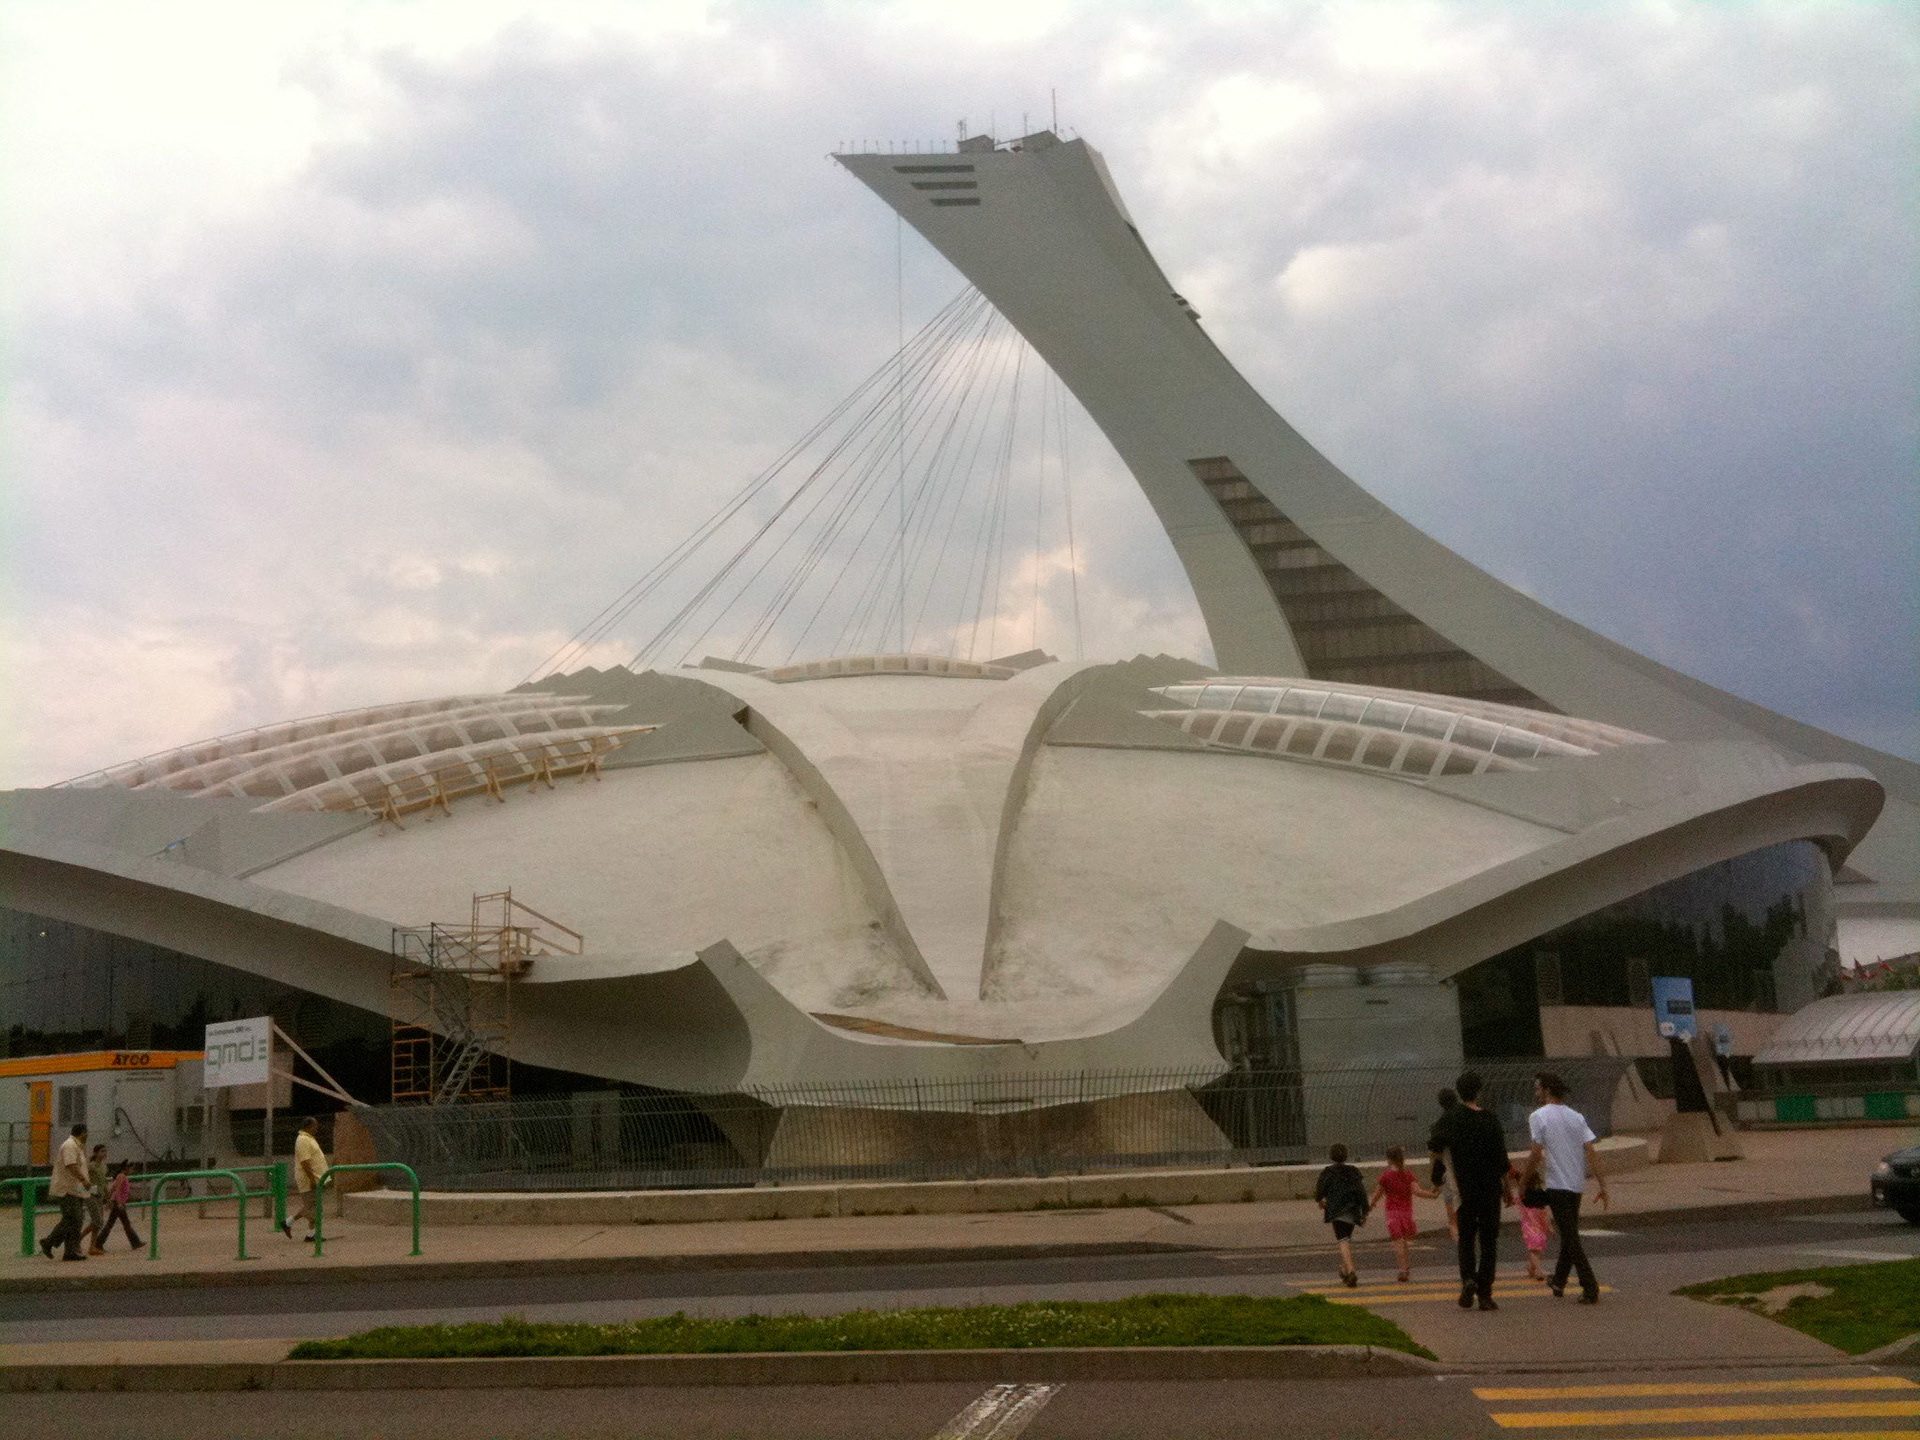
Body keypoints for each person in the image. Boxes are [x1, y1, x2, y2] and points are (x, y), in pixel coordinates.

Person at [1528, 1071, 1610, 1303]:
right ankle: (1559, 1280)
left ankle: (1590, 1286)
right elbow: (1591, 1151)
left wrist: (1524, 1181)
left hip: (1557, 1185)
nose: (1535, 1092)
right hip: (1575, 1185)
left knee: (1571, 1238)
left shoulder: (1539, 1116)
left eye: (1537, 1088)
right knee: (1569, 1234)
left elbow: (1535, 1153)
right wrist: (1603, 1185)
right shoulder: (1576, 1117)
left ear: (1545, 1089)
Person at [1448, 1071, 1512, 1311]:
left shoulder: (1453, 1118)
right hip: (1489, 1189)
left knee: (1466, 1239)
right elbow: (1501, 1157)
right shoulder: (1491, 1120)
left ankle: (1468, 1279)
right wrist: (1506, 1187)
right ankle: (1485, 1293)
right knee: (1488, 1241)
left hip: (1465, 1190)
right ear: (1479, 1091)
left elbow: (1436, 1143)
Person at [1369, 1144, 1437, 1283]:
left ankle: (1402, 1269)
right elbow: (1417, 1191)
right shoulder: (1408, 1174)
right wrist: (1432, 1195)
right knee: (1403, 1241)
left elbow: (1377, 1194)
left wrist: (1371, 1205)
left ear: (1389, 1159)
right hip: (1406, 1213)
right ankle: (1405, 1266)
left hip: (1392, 1213)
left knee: (1398, 1242)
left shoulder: (1386, 1176)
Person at [1314, 1142, 1369, 1288]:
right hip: (1352, 1209)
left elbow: (1319, 1191)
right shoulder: (1354, 1171)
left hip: (1336, 1209)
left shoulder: (1328, 1172)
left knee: (1342, 1240)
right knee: (1346, 1239)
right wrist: (1365, 1211)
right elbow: (1361, 1192)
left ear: (1331, 1156)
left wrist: (1320, 1201)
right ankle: (1344, 1270)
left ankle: (1351, 1271)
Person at [41, 1123, 93, 1261]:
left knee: (75, 1221)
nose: (88, 1136)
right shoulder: (70, 1145)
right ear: (82, 1133)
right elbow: (71, 1165)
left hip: (75, 1189)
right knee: (73, 1219)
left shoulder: (77, 1146)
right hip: (67, 1189)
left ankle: (70, 1251)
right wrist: (84, 1180)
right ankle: (49, 1242)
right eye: (86, 1133)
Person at [283, 1116, 329, 1242]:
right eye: (315, 1126)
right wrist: (312, 1179)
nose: (317, 1128)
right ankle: (294, 1225)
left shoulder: (309, 1138)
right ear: (309, 1126)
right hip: (309, 1180)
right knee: (313, 1209)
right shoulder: (303, 1140)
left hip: (317, 1178)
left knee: (312, 1205)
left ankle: (308, 1233)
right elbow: (305, 1162)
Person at [1512, 1156, 1553, 1281]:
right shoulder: (1541, 1195)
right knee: (1536, 1250)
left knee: (1534, 1249)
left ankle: (1531, 1268)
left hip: (1528, 1226)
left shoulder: (1523, 1196)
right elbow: (1545, 1212)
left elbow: (1518, 1200)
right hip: (1539, 1227)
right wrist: (1549, 1226)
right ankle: (1539, 1271)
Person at [1427, 1088, 1461, 1241]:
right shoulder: (1467, 1119)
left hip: (1448, 1174)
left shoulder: (1438, 1125)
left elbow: (1436, 1155)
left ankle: (1460, 1246)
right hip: (1468, 1173)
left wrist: (1435, 1178)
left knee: (1453, 1220)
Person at [99, 1160, 143, 1250]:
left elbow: (114, 1189)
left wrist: (110, 1201)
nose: (132, 1171)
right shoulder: (121, 1176)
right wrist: (118, 1202)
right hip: (118, 1204)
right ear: (126, 1168)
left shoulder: (121, 1177)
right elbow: (117, 1190)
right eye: (131, 1168)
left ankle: (135, 1242)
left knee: (124, 1223)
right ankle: (99, 1243)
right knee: (114, 1224)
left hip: (119, 1203)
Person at [79, 1143, 110, 1255]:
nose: (104, 1154)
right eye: (102, 1151)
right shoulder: (90, 1166)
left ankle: (92, 1247)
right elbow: (82, 1179)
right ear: (96, 1153)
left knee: (98, 1222)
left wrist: (107, 1197)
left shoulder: (103, 1166)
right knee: (97, 1221)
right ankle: (78, 1239)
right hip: (90, 1195)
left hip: (99, 1195)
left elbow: (104, 1182)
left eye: (105, 1151)